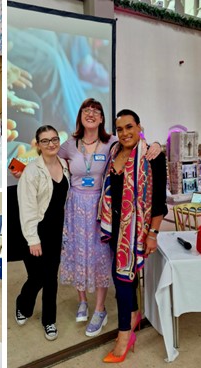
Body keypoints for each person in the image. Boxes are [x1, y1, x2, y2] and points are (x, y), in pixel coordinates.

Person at [54, 98, 161, 337]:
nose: (91, 114)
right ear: (80, 116)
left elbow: (138, 144)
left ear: (102, 118)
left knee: (101, 255)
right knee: (77, 252)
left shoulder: (112, 141)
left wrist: (157, 144)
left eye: (96, 111)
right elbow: (50, 158)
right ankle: (82, 300)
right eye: (86, 110)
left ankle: (100, 309)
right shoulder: (69, 144)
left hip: (102, 207)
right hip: (75, 205)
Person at [99, 109, 167, 363]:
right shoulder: (114, 151)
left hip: (136, 229)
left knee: (124, 280)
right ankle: (134, 314)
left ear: (140, 127)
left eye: (129, 127)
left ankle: (124, 336)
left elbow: (159, 202)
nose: (125, 133)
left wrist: (153, 233)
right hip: (114, 225)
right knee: (120, 280)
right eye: (120, 129)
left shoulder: (152, 156)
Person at [15, 125, 70, 341]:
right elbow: (27, 208)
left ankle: (49, 321)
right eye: (45, 141)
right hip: (35, 231)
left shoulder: (65, 165)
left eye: (54, 139)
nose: (51, 144)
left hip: (56, 232)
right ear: (38, 145)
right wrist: (33, 239)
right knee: (37, 277)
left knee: (51, 279)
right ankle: (23, 305)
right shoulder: (31, 171)